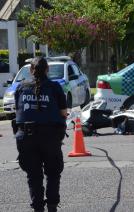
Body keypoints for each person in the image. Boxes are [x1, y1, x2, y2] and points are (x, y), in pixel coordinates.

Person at [13, 57, 67, 212]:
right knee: (53, 173)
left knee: (33, 176)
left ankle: (37, 208)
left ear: (31, 70)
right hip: (50, 136)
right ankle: (52, 206)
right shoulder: (54, 87)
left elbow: (19, 111)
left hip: (26, 137)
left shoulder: (21, 87)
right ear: (47, 70)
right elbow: (63, 112)